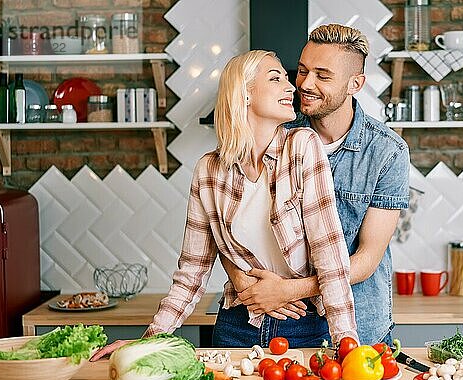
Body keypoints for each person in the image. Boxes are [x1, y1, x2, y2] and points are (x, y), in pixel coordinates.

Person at [91, 50, 358, 360]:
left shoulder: (302, 146)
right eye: (276, 79)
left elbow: (330, 253)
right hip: (237, 326)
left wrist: (346, 343)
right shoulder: (209, 170)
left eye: (287, 79)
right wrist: (150, 340)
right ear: (243, 94)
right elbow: (192, 271)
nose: (291, 87)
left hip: (305, 325)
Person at [223, 24, 410, 346]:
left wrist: (287, 289)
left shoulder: (387, 151)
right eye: (303, 71)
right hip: (262, 314)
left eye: (323, 76)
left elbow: (366, 259)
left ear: (355, 84)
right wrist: (243, 282)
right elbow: (225, 221)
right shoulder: (275, 127)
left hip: (352, 320)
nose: (304, 84)